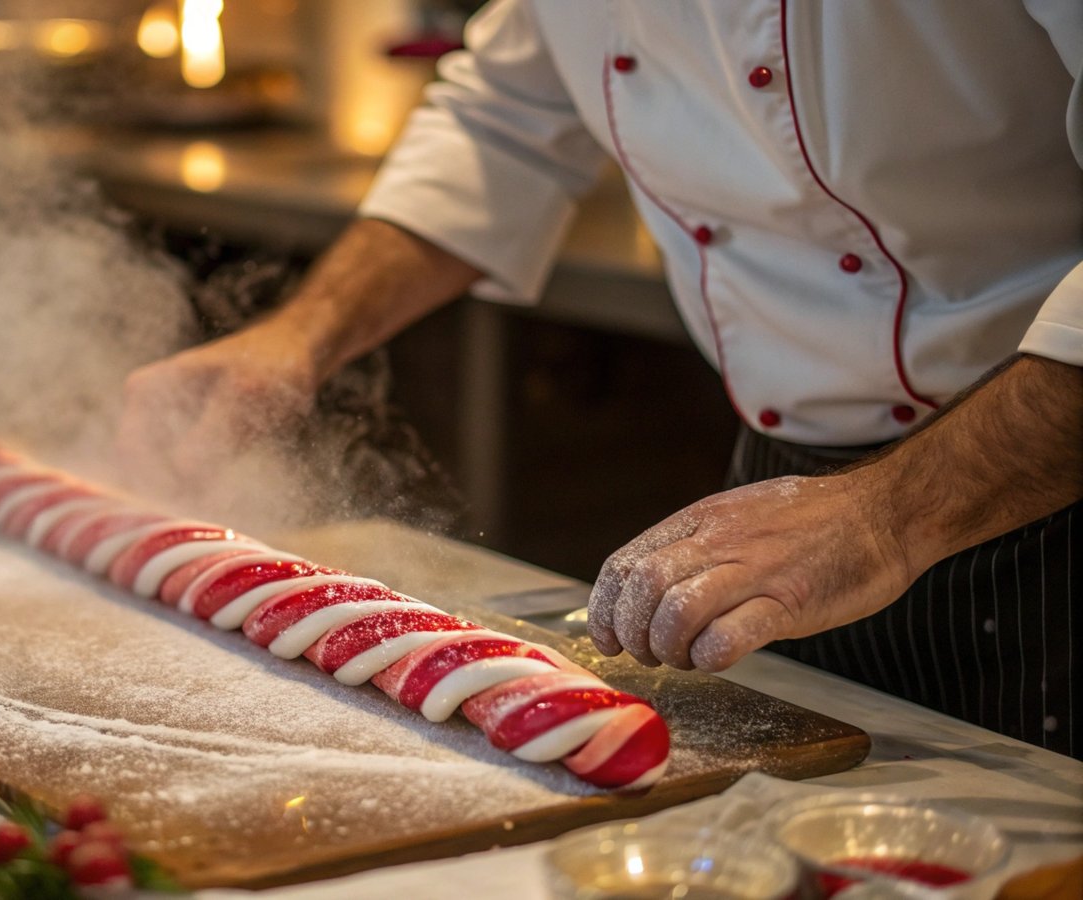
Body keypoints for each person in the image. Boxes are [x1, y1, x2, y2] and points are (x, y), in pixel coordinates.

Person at [115, 2, 1083, 758]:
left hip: (1036, 495)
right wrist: (298, 337)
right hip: (781, 503)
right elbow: (500, 120)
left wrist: (884, 514)